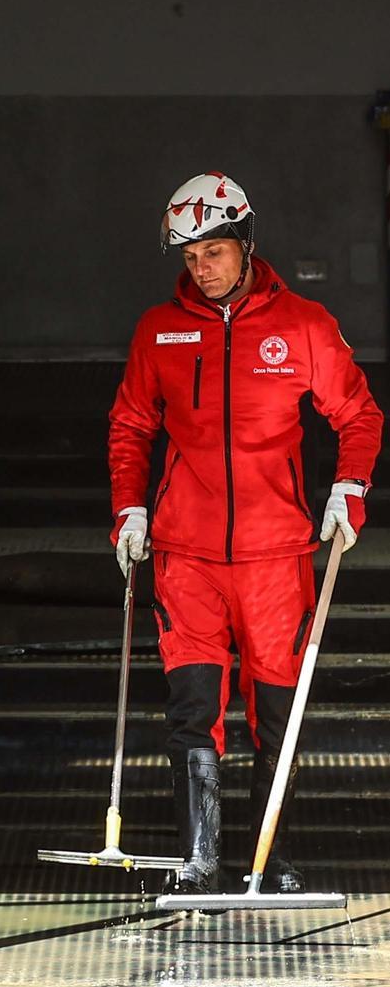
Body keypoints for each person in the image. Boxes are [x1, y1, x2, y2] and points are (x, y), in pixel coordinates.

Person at [109, 173, 382, 895]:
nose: (201, 269)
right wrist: (128, 509)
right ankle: (200, 861)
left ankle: (270, 858)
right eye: (190, 257)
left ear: (246, 245)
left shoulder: (303, 324)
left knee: (274, 717)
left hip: (276, 557)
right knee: (193, 714)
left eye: (214, 252)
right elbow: (131, 425)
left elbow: (358, 415)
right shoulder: (156, 330)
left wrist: (347, 490)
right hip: (185, 557)